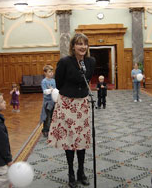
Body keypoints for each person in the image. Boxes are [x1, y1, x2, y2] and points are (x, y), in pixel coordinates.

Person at [47, 33, 95, 188]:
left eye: (85, 44)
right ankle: (71, 173)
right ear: (73, 46)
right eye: (79, 44)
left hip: (82, 104)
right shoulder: (64, 62)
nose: (82, 47)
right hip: (67, 104)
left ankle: (81, 171)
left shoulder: (90, 61)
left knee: (81, 139)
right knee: (69, 141)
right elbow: (59, 83)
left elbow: (87, 80)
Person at [40, 65, 56, 137]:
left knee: (53, 116)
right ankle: (45, 130)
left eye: (52, 71)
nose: (51, 73)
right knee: (47, 117)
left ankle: (52, 129)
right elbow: (45, 91)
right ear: (45, 73)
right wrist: (51, 90)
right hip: (47, 102)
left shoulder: (53, 80)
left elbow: (55, 89)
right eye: (49, 71)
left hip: (53, 101)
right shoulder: (44, 81)